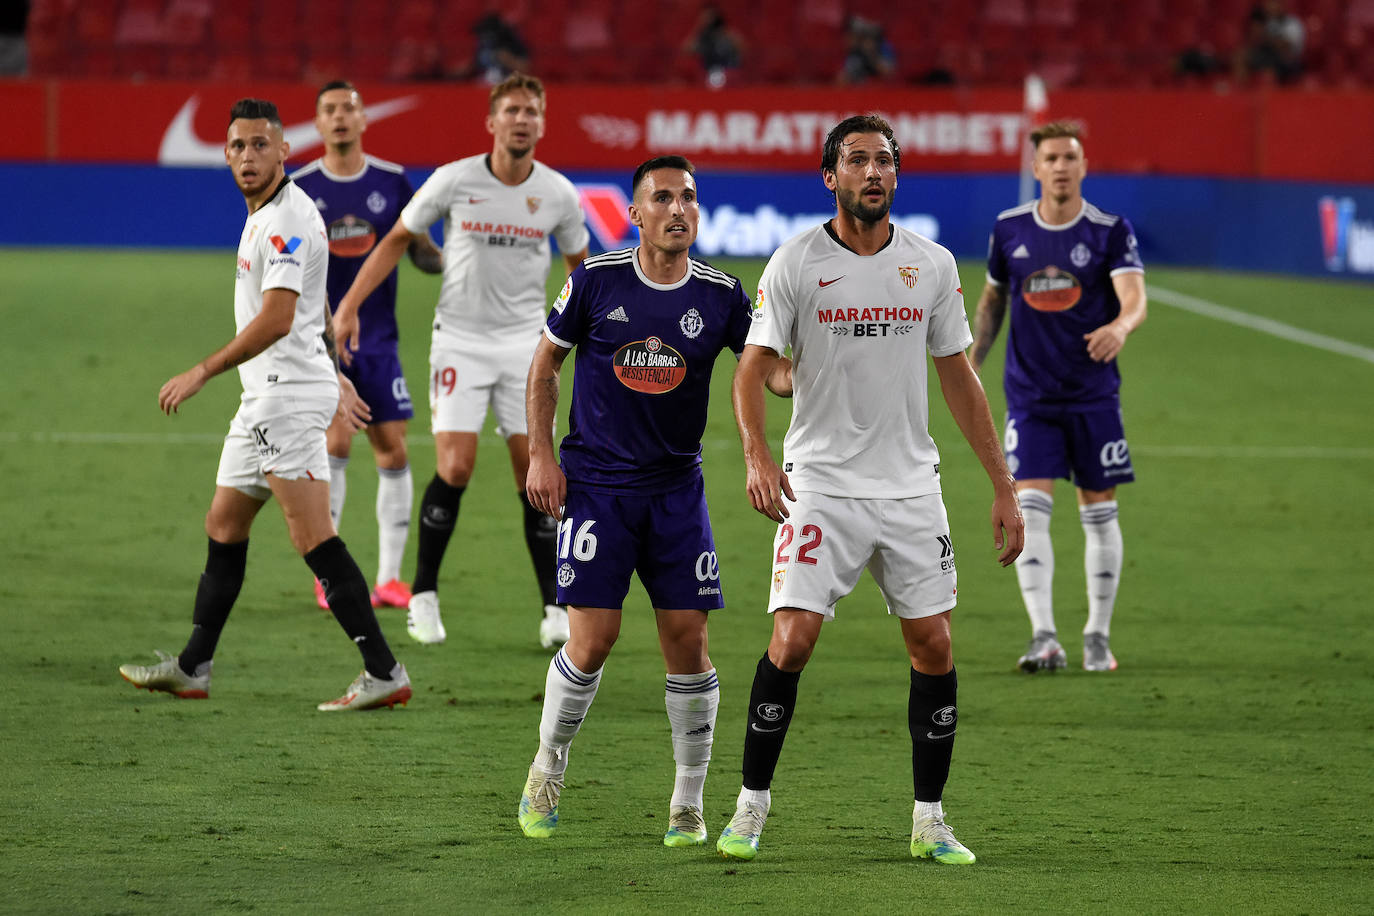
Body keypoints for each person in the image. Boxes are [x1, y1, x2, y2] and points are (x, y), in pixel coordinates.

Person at [719, 115, 1024, 865]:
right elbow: (753, 367)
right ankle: (750, 807)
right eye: (856, 160)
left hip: (911, 488)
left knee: (934, 643)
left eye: (883, 160)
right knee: (792, 640)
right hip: (820, 484)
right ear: (831, 178)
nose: (872, 171)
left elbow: (959, 377)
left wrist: (1003, 485)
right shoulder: (794, 262)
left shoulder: (931, 264)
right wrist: (758, 455)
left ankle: (930, 819)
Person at [516, 156, 792, 847]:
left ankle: (687, 804)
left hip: (676, 492)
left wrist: (823, 352)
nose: (678, 209)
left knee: (688, 642)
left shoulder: (724, 294)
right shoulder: (595, 282)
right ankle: (548, 765)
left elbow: (771, 374)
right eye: (662, 198)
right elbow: (545, 365)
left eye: (689, 198)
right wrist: (541, 455)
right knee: (594, 638)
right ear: (635, 214)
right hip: (598, 489)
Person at [119, 98, 412, 712]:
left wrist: (204, 369)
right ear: (225, 155)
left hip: (284, 400)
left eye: (260, 144)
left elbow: (279, 319)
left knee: (313, 537)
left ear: (285, 151)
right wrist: (338, 374)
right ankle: (194, 666)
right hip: (268, 397)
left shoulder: (286, 219)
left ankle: (384, 672)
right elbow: (316, 307)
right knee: (223, 526)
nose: (247, 156)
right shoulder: (269, 213)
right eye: (236, 146)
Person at [333, 73, 589, 650]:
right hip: (461, 342)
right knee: (455, 467)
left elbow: (582, 269)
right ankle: (423, 597)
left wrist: (589, 340)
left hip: (528, 347)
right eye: (512, 110)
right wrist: (349, 305)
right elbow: (398, 237)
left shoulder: (558, 194)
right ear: (492, 122)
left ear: (542, 124)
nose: (522, 119)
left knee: (537, 476)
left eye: (532, 111)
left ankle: (554, 607)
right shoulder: (455, 179)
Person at [970, 120, 1147, 674]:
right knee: (1033, 512)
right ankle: (1043, 636)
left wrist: (1121, 326)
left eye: (1071, 156)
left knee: (1099, 512)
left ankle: (1097, 635)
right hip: (1030, 398)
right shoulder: (1008, 230)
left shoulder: (1109, 230)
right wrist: (970, 363)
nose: (1062, 166)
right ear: (1036, 167)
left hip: (1093, 396)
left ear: (1084, 165)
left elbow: (1134, 299)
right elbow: (993, 300)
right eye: (1051, 158)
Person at [290, 80, 442, 614]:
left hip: (378, 339)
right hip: (318, 339)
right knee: (335, 442)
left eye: (348, 108)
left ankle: (389, 579)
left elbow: (421, 256)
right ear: (318, 121)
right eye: (328, 109)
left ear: (363, 119)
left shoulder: (393, 182)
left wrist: (448, 256)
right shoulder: (300, 187)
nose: (338, 117)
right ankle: (328, 575)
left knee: (392, 449)